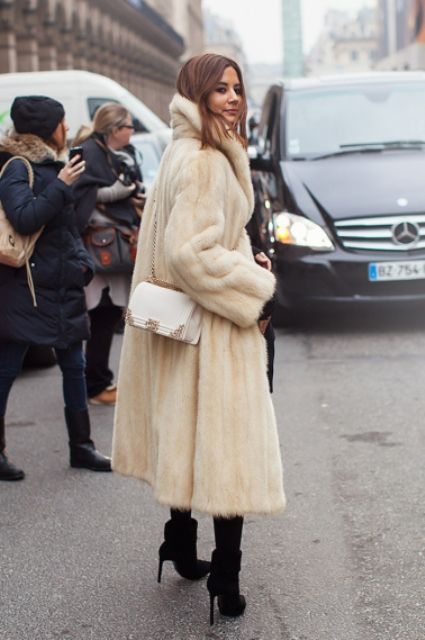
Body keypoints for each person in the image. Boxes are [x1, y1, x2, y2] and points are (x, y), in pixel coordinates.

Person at [112, 54, 286, 624]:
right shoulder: (207, 159)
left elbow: (199, 239)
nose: (233, 98)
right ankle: (226, 580)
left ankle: (179, 543)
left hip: (187, 329)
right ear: (197, 92)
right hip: (214, 328)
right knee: (226, 449)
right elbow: (192, 255)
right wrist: (256, 289)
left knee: (188, 434)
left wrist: (242, 252)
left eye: (238, 88)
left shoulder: (181, 150)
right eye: (221, 89)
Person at [0, 95, 112, 481]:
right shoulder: (17, 167)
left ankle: (82, 447)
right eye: (63, 123)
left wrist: (83, 264)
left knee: (75, 366)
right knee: (7, 368)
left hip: (62, 284)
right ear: (48, 127)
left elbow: (65, 228)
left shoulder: (54, 165)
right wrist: (62, 186)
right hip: (25, 287)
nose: (67, 129)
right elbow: (25, 218)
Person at [73, 104, 145, 406]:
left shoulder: (105, 153)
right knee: (103, 314)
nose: (132, 131)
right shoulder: (90, 152)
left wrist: (130, 191)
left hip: (107, 247)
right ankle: (95, 384)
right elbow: (85, 194)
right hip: (100, 249)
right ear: (115, 129)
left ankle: (97, 380)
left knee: (106, 313)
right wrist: (122, 191)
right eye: (128, 126)